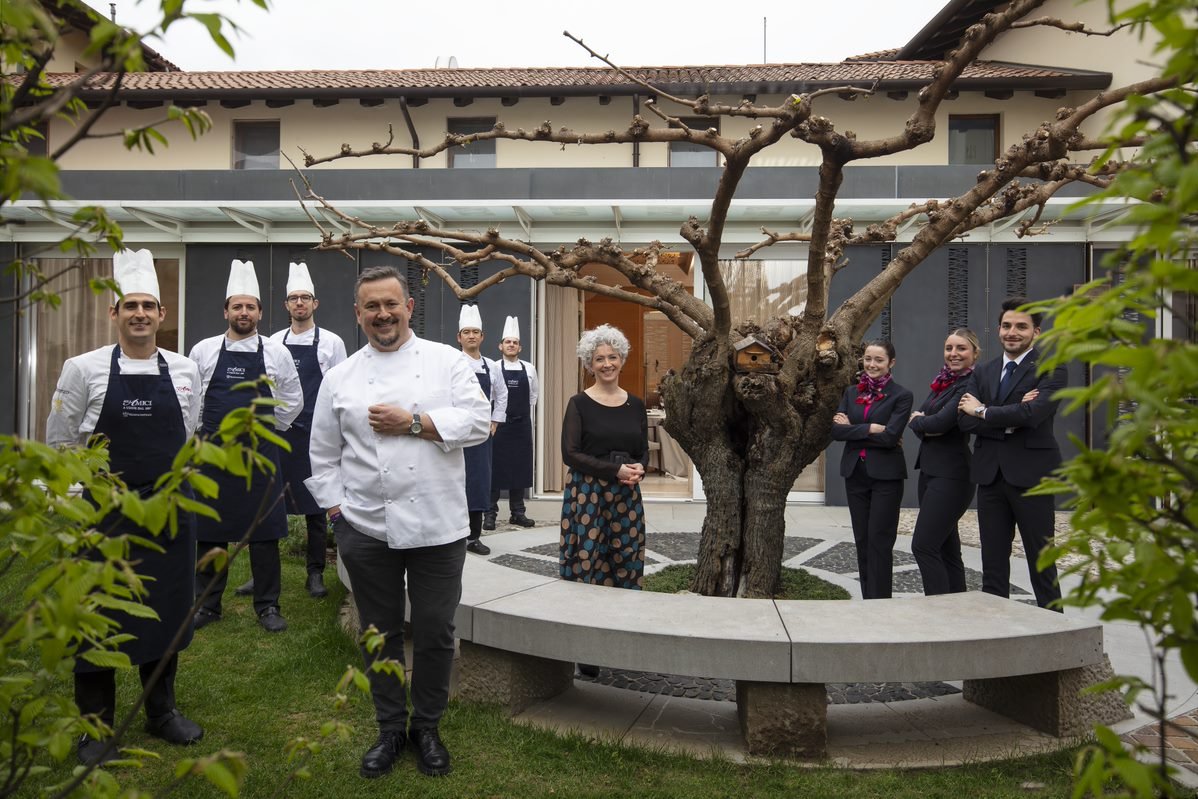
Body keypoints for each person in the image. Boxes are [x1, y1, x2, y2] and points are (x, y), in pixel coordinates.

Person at [305, 266, 489, 778]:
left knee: (433, 630)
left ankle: (426, 725)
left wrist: (413, 423)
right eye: (371, 307)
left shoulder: (447, 361)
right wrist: (338, 513)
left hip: (438, 527)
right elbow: (322, 453)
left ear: (409, 307)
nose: (382, 314)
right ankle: (389, 728)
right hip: (364, 528)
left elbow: (479, 421)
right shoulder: (340, 378)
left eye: (391, 304)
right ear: (358, 314)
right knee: (378, 633)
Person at [46, 248, 205, 765]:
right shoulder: (82, 369)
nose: (140, 313)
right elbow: (63, 442)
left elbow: (189, 432)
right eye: (129, 305)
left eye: (148, 306)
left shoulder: (184, 370)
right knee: (98, 617)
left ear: (162, 315)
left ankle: (162, 712)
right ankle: (97, 729)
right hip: (102, 516)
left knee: (167, 613)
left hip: (167, 516)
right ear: (112, 314)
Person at [187, 259, 302, 633]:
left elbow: (293, 398)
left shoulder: (276, 353)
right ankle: (207, 605)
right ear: (226, 311)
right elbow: (190, 401)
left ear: (260, 313)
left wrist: (271, 430)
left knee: (264, 532)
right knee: (210, 531)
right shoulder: (203, 350)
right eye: (237, 306)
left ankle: (268, 606)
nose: (244, 312)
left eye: (250, 306)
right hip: (213, 453)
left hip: (260, 455)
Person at [233, 262, 347, 599]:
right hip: (277, 433)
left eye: (305, 298)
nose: (299, 303)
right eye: (294, 298)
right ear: (286, 305)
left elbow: (340, 390)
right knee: (267, 505)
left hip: (315, 433)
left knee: (315, 506)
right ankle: (262, 575)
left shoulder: (332, 343)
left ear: (315, 304)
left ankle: (315, 574)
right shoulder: (271, 344)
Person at [959, 297, 1068, 610]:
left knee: (1042, 562)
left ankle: (1055, 635)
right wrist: (1010, 413)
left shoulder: (1052, 367)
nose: (1013, 332)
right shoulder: (985, 372)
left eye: (1021, 326)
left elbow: (1033, 415)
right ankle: (997, 634)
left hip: (1032, 476)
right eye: (1007, 326)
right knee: (992, 563)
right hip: (991, 476)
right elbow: (964, 420)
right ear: (998, 330)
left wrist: (983, 410)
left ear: (1036, 331)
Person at [560, 324, 648, 590]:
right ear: (590, 364)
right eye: (599, 359)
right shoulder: (579, 403)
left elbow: (642, 449)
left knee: (627, 554)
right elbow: (570, 454)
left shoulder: (636, 404)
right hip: (588, 492)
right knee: (589, 555)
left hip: (626, 493)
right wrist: (615, 470)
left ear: (621, 359)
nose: (607, 364)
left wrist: (639, 468)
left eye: (612, 357)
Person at [830, 340, 913, 600]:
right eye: (868, 359)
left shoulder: (901, 395)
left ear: (891, 363)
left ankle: (880, 601)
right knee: (862, 539)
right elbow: (835, 431)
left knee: (879, 540)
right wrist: (870, 428)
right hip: (856, 474)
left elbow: (890, 438)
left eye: (878, 360)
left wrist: (853, 428)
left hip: (886, 477)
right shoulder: (851, 392)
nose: (872, 365)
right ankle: (869, 599)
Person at [907, 329, 980, 596]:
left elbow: (939, 422)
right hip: (930, 472)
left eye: (961, 348)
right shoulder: (945, 384)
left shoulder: (970, 385)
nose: (953, 354)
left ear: (974, 354)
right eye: (949, 348)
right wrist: (924, 423)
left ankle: (938, 609)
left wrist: (919, 421)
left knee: (923, 546)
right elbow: (929, 422)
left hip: (952, 475)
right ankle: (957, 609)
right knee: (947, 549)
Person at [457, 304, 508, 556]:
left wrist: (495, 420)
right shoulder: (453, 363)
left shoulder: (492, 366)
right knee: (455, 481)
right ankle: (454, 534)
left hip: (481, 434)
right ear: (459, 337)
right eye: (466, 332)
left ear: (482, 336)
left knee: (478, 482)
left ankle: (473, 537)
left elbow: (502, 394)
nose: (471, 336)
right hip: (457, 431)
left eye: (475, 332)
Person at [486, 315, 540, 530]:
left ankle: (518, 513)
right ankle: (489, 514)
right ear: (501, 346)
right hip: (498, 425)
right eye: (507, 342)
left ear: (520, 347)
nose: (511, 345)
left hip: (521, 425)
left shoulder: (530, 368)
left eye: (515, 342)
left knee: (520, 468)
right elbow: (490, 396)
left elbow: (533, 396)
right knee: (495, 469)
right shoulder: (493, 367)